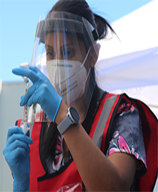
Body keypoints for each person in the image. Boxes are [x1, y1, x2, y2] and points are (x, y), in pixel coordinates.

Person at [3, 0, 158, 192]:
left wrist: (62, 114)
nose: (57, 63)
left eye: (67, 51)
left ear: (93, 55)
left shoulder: (121, 114)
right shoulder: (34, 129)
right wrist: (20, 184)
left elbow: (114, 189)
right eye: (50, 53)